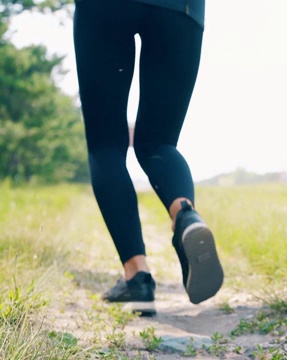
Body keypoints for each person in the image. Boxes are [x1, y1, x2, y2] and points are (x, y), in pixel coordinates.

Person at [73, 0, 223, 316]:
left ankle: (137, 276)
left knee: (105, 145)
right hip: (181, 10)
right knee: (159, 142)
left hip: (104, 10)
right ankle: (185, 215)